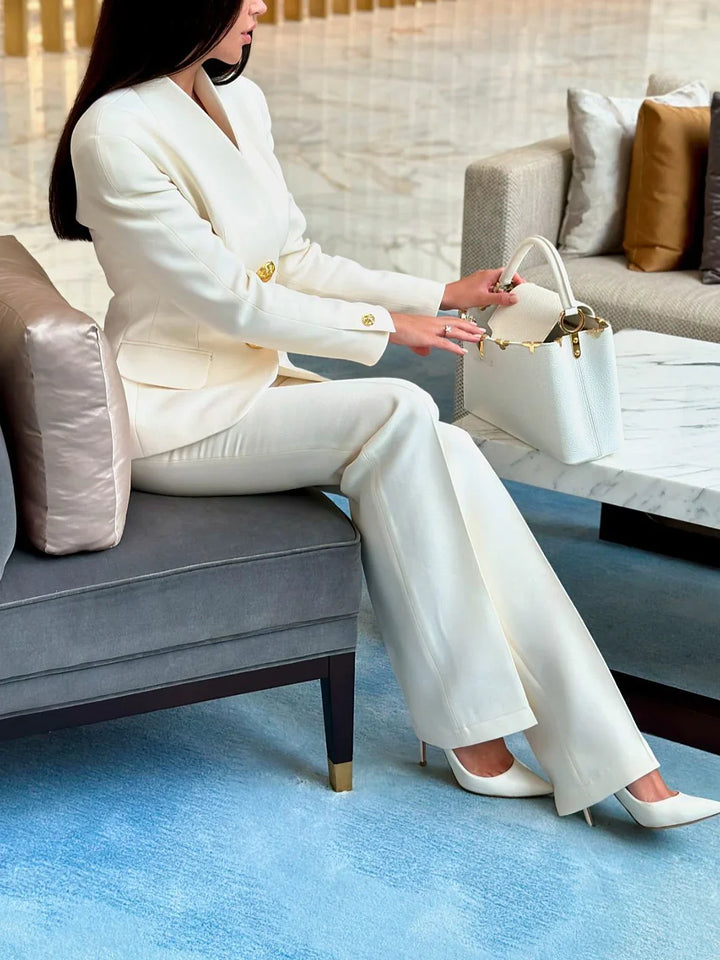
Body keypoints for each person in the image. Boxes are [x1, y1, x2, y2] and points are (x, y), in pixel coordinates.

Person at [49, 0, 719, 831]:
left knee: (447, 452)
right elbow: (230, 301)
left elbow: (293, 260)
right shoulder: (112, 133)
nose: (259, 5)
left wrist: (439, 293)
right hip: (169, 413)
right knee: (401, 408)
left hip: (255, 388)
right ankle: (491, 741)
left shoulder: (237, 103)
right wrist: (391, 330)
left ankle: (605, 755)